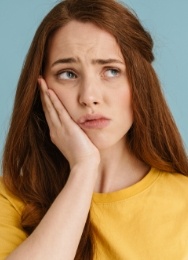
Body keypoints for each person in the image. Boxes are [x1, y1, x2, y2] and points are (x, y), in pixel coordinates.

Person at [0, 0, 188, 259]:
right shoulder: (9, 198)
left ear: (140, 83)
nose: (89, 97)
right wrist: (84, 167)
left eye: (111, 71)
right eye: (68, 74)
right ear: (40, 90)